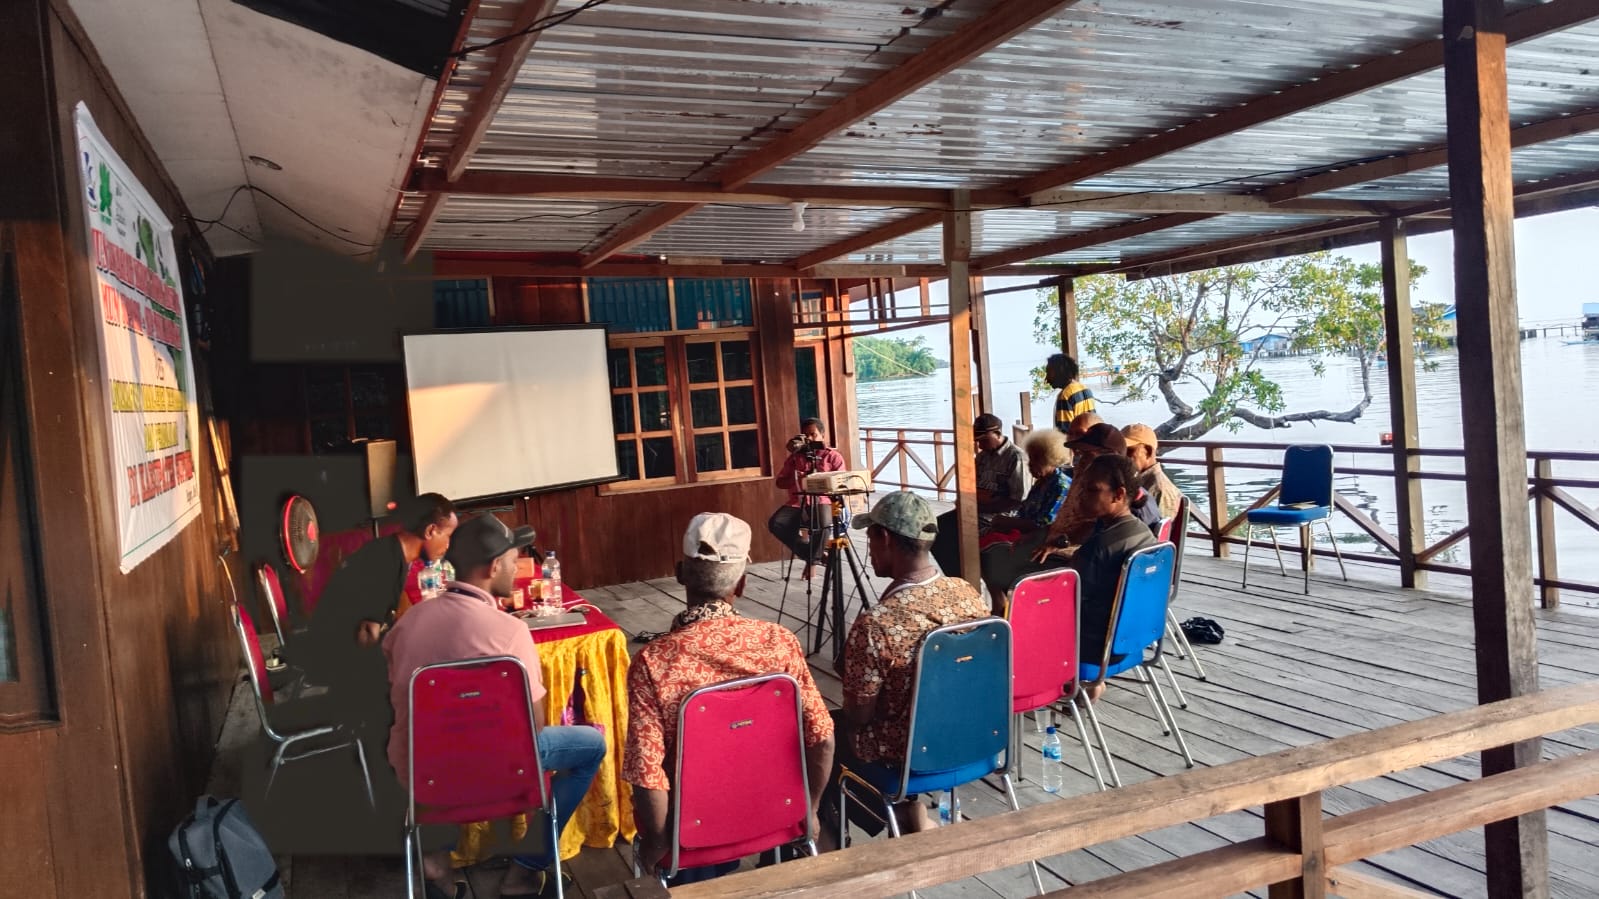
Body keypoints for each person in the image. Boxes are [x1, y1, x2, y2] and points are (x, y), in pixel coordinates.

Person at [385, 513, 606, 899]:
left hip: (424, 774)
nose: (519, 564)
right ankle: (525, 870)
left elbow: (396, 702)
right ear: (493, 567)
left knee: (438, 739)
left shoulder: (408, 622)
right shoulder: (511, 631)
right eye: (513, 558)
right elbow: (532, 728)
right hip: (505, 774)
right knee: (591, 746)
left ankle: (435, 859)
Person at [623, 513, 835, 884]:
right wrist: (810, 809)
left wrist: (659, 842)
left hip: (690, 833)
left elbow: (647, 774)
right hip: (777, 816)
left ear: (679, 573)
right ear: (742, 584)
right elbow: (823, 738)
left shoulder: (653, 662)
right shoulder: (779, 643)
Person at [821, 491, 988, 842]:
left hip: (912, 752)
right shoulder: (967, 593)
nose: (869, 548)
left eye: (870, 538)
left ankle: (831, 841)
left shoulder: (878, 623)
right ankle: (909, 814)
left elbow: (859, 715)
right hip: (978, 737)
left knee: (821, 736)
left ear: (883, 538)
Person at [302, 493, 457, 751]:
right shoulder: (384, 561)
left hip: (336, 651)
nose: (448, 544)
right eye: (447, 535)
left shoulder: (391, 552)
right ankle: (394, 758)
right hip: (339, 662)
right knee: (423, 681)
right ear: (431, 531)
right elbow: (366, 634)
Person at [1036, 455, 1157, 702]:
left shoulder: (1100, 547)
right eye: (1081, 488)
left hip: (1092, 649)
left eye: (1092, 490)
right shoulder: (1143, 533)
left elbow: (1068, 604)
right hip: (1133, 642)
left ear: (1119, 494)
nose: (1081, 496)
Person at [979, 423, 1126, 606]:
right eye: (1079, 454)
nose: (1080, 460)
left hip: (1072, 556)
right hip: (1056, 540)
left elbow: (1089, 527)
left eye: (1087, 454)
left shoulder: (1105, 496)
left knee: (1001, 560)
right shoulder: (1077, 480)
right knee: (992, 551)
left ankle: (1020, 609)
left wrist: (1055, 543)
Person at [930, 413, 1028, 576]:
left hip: (999, 517)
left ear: (997, 433)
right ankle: (959, 578)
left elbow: (1018, 500)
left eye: (983, 440)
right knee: (936, 529)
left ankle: (973, 574)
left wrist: (981, 507)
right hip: (976, 510)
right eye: (977, 441)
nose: (979, 445)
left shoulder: (1016, 458)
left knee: (960, 535)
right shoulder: (982, 457)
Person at [768, 417, 847, 577]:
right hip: (798, 501)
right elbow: (780, 482)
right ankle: (812, 555)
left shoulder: (832, 456)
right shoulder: (795, 457)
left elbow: (842, 483)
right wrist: (797, 477)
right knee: (776, 523)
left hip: (823, 500)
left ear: (822, 435)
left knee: (823, 523)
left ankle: (812, 562)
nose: (810, 439)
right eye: (806, 435)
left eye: (813, 435)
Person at [1123, 423, 1182, 522]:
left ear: (1148, 452)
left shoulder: (1159, 489)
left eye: (1129, 451)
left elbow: (1160, 534)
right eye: (1121, 450)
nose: (1123, 456)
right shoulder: (1144, 482)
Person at [1046, 353, 1098, 435]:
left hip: (1075, 446)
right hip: (1090, 443)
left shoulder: (1065, 395)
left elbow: (1064, 434)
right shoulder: (1085, 389)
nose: (1047, 379)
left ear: (1059, 371)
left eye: (1049, 373)